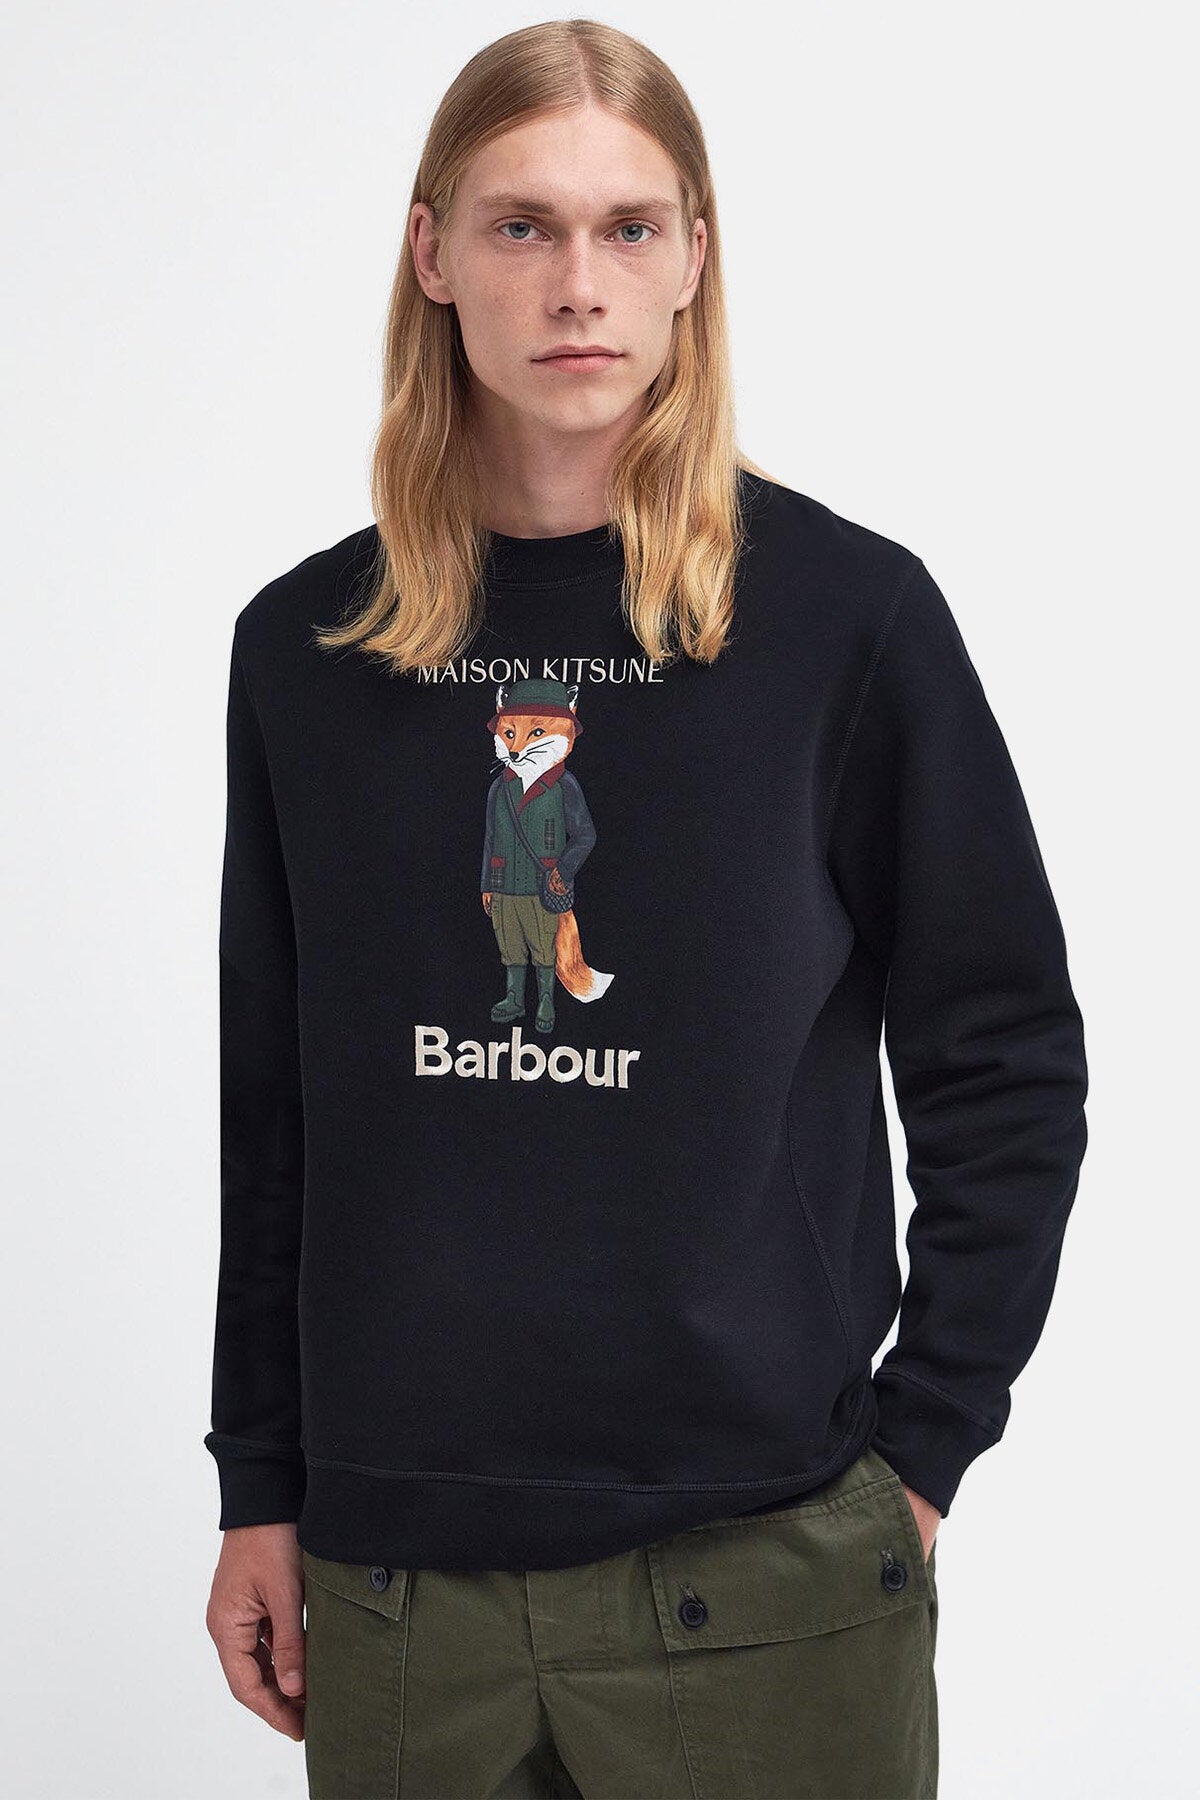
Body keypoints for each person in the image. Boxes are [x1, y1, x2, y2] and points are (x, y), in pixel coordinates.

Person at [203, 20, 1089, 1799]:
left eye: (630, 226)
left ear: (695, 258)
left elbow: (1003, 1057)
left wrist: (925, 1447)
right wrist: (262, 1486)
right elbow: (279, 1103)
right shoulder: (307, 649)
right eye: (521, 225)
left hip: (768, 1577)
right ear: (431, 251)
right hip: (398, 1592)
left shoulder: (845, 623)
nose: (578, 284)